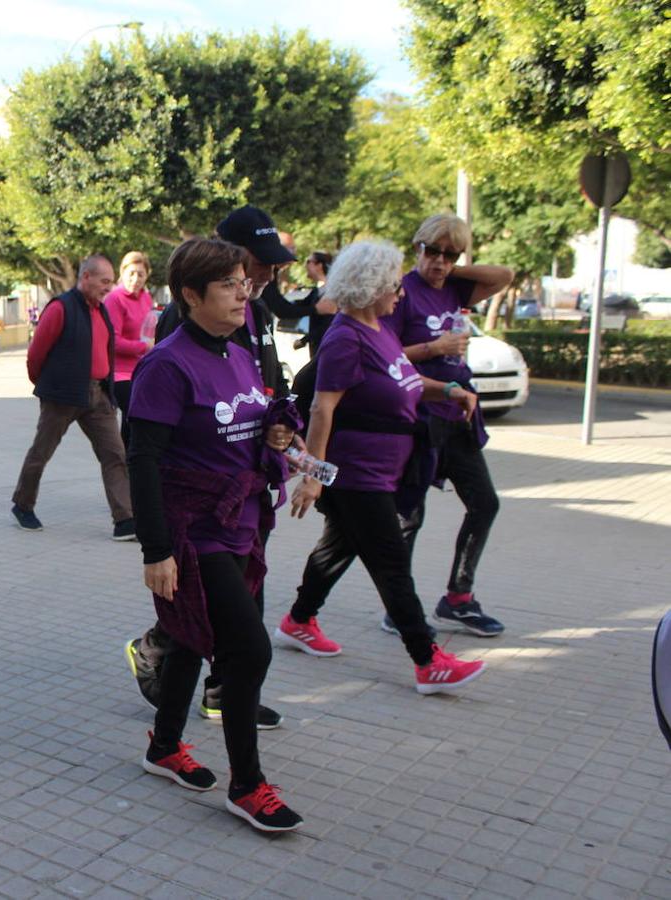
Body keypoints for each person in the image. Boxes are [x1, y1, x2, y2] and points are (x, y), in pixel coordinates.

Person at [129, 237, 303, 832]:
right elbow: (143, 461)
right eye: (229, 283)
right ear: (190, 295)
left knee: (186, 638)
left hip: (242, 524)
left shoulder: (238, 351)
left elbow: (248, 420)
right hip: (192, 530)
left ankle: (163, 747)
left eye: (243, 281)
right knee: (247, 649)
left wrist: (275, 435)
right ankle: (247, 786)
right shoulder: (166, 364)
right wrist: (156, 551)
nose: (244, 291)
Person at [273, 239, 488, 695]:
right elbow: (321, 411)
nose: (401, 291)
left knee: (339, 547)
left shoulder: (381, 331)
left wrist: (448, 391)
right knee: (391, 562)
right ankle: (428, 660)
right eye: (393, 283)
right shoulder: (345, 337)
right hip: (355, 473)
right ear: (371, 288)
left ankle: (297, 621)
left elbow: (404, 380)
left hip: (384, 470)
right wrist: (312, 475)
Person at [385, 214, 513, 638]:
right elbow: (384, 356)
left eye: (449, 254)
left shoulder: (456, 287)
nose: (439, 261)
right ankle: (399, 608)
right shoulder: (401, 293)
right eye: (431, 251)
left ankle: (458, 598)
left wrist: (451, 267)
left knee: (486, 503)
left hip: (458, 416)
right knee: (409, 517)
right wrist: (434, 347)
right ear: (416, 247)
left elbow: (504, 275)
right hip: (418, 416)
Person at [10, 255, 134, 540]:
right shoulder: (60, 308)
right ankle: (22, 505)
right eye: (104, 281)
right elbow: (36, 354)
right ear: (86, 277)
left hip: (98, 395)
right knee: (42, 452)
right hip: (62, 396)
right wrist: (46, 386)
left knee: (115, 454)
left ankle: (125, 520)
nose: (109, 286)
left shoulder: (100, 310)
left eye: (111, 281)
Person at [104, 251, 154, 448]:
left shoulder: (146, 298)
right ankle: (129, 464)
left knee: (133, 422)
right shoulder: (114, 299)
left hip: (141, 369)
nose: (135, 279)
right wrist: (144, 346)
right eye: (131, 273)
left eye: (140, 274)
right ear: (122, 273)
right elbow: (113, 341)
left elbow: (148, 330)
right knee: (137, 415)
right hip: (119, 373)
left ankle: (129, 464)